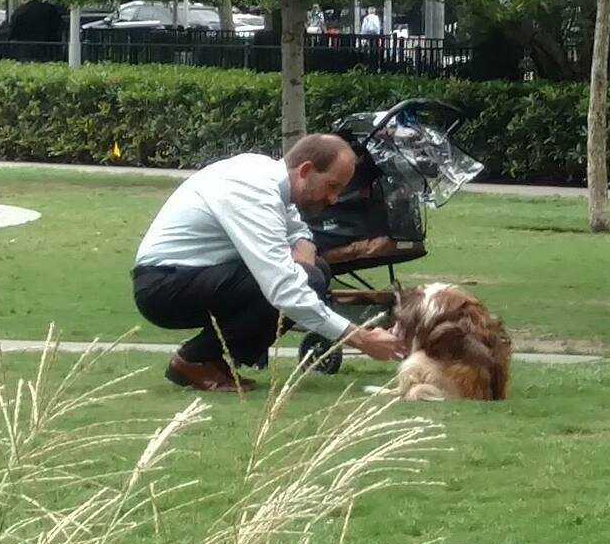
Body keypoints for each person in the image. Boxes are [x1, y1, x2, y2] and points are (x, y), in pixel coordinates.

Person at [132, 134, 406, 392]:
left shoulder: (269, 178)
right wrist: (360, 338)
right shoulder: (253, 192)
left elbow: (298, 230)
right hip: (162, 286)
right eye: (332, 186)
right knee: (297, 283)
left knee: (315, 272)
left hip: (189, 276)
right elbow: (284, 289)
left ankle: (212, 359)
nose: (334, 199)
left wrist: (305, 253)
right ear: (306, 170)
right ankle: (193, 360)